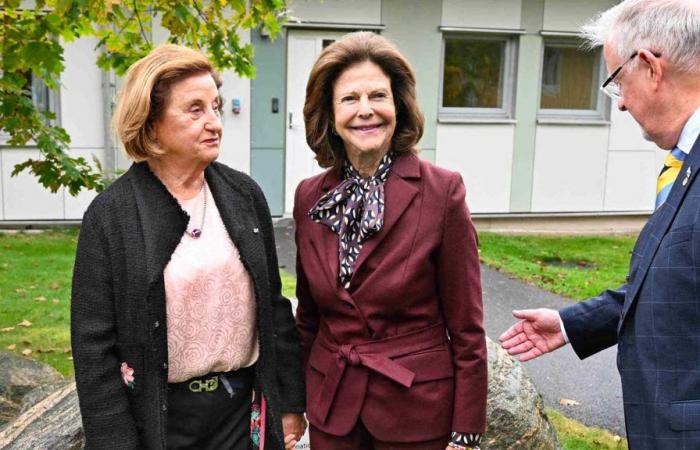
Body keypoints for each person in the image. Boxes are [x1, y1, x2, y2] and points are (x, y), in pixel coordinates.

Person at [71, 44, 306, 450]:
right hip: (158, 421)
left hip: (239, 412)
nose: (214, 122)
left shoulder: (243, 195)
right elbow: (93, 347)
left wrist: (289, 402)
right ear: (151, 122)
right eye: (195, 110)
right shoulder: (112, 215)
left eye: (215, 106)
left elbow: (272, 305)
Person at [499, 0, 700, 448]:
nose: (623, 104)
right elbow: (679, 282)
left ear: (649, 66)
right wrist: (574, 323)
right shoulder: (686, 163)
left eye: (617, 82)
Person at [293, 32, 487, 450]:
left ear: (398, 106)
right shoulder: (310, 196)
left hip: (416, 408)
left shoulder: (442, 191)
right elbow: (309, 316)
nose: (366, 111)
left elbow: (467, 324)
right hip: (333, 408)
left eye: (378, 96)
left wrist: (466, 426)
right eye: (350, 99)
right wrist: (296, 399)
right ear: (329, 113)